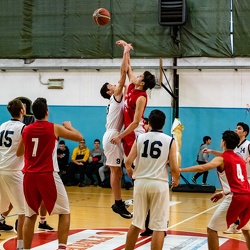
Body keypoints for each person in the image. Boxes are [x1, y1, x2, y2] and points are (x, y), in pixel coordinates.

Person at [16, 97, 83, 250]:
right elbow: (80, 137)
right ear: (47, 112)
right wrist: (70, 126)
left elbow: (19, 152)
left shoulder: (26, 129)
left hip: (29, 176)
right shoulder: (54, 128)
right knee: (65, 212)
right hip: (47, 174)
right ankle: (61, 247)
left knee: (30, 215)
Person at [181, 130, 250, 250]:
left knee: (212, 229)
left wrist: (180, 170)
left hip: (236, 198)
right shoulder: (240, 160)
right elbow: (240, 182)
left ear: (223, 142)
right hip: (247, 196)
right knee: (246, 230)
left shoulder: (222, 159)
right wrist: (223, 193)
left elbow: (203, 167)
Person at [124, 109, 180, 250]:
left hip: (141, 182)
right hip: (158, 183)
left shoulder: (140, 138)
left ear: (149, 123)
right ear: (164, 123)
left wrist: (130, 171)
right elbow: (174, 167)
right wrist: (176, 179)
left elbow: (128, 161)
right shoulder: (170, 140)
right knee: (159, 226)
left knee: (136, 223)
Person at [100, 40, 133, 219]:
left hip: (114, 133)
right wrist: (125, 51)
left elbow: (126, 74)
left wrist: (127, 54)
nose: (115, 84)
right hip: (113, 135)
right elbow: (123, 73)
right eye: (111, 85)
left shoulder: (115, 99)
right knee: (115, 171)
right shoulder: (116, 97)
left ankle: (119, 201)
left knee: (120, 170)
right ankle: (118, 203)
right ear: (108, 92)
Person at [204, 122, 250, 234]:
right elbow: (226, 155)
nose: (236, 130)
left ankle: (236, 224)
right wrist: (212, 151)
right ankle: (236, 225)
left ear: (245, 133)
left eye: (239, 128)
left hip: (247, 179)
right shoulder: (234, 147)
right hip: (240, 182)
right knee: (245, 224)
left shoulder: (248, 144)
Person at [0, 98, 26, 249]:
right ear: (22, 111)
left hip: (1, 168)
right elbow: (21, 151)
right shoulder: (23, 128)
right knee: (23, 211)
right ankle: (21, 246)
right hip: (13, 171)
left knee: (2, 206)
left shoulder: (2, 125)